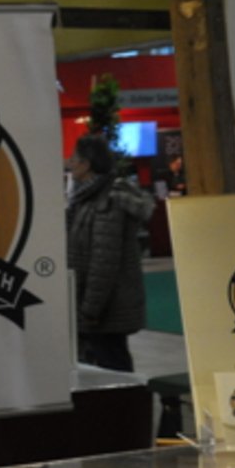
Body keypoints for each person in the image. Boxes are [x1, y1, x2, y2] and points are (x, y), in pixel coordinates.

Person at [65, 133, 155, 372]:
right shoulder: (86, 198)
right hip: (97, 308)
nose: (69, 163)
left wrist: (90, 310)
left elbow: (103, 263)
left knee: (113, 370)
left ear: (87, 164)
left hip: (106, 311)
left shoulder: (109, 202)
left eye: (73, 159)